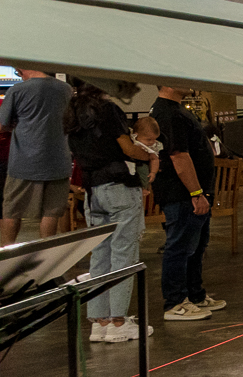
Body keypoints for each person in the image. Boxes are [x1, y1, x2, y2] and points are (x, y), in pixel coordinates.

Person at [66, 83, 156, 342]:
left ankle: (100, 321)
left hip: (92, 190)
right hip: (119, 187)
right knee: (123, 253)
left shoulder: (72, 111)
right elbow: (127, 148)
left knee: (100, 254)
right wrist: (148, 155)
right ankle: (118, 322)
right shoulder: (108, 109)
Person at [153, 84, 225, 321]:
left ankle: (195, 294)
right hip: (182, 194)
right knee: (180, 247)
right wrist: (195, 192)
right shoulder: (168, 113)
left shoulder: (177, 110)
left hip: (195, 193)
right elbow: (178, 155)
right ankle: (175, 302)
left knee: (196, 246)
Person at [0, 67, 72, 246]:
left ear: (23, 69)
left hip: (24, 162)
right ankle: (46, 253)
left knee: (12, 211)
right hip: (58, 161)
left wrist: (14, 125)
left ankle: (9, 253)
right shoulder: (66, 89)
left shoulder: (17, 90)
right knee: (51, 213)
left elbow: (2, 125)